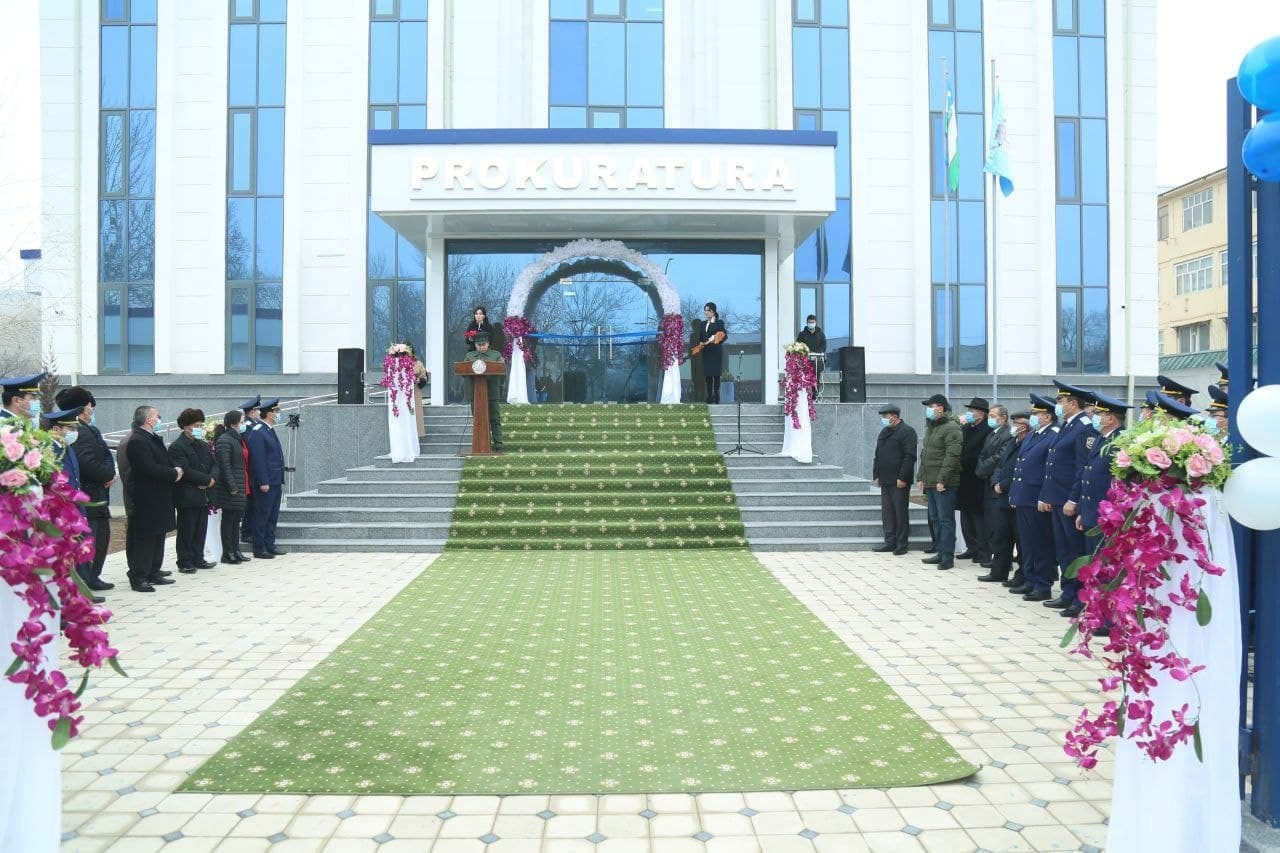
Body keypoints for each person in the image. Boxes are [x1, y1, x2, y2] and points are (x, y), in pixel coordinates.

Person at [1071, 390, 1131, 621]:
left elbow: (1119, 482)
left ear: (1111, 418)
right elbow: (1087, 475)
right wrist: (1082, 511)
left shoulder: (1121, 441)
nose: (1094, 417)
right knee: (1095, 565)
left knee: (1106, 567)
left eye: (1099, 414)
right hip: (1092, 512)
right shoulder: (1102, 438)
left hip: (1108, 515)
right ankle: (1096, 611)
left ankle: (1107, 618)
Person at [1041, 381, 1098, 613]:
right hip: (1057, 497)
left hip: (1068, 499)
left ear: (1073, 403)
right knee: (1063, 549)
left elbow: (1082, 468)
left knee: (1075, 551)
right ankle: (1067, 592)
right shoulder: (1068, 425)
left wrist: (1073, 499)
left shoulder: (1084, 428)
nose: (1058, 405)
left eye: (1061, 401)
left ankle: (1079, 598)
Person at [56, 386, 116, 593]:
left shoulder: (90, 429)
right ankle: (86, 581)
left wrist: (110, 473)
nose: (92, 409)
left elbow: (106, 455)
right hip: (89, 495)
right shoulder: (78, 432)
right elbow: (87, 463)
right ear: (81, 408)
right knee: (89, 541)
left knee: (101, 539)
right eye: (90, 405)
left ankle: (93, 577)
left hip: (99, 493)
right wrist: (107, 475)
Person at [123, 405, 181, 593]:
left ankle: (153, 571)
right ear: (148, 419)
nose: (159, 419)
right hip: (147, 498)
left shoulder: (152, 438)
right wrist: (173, 473)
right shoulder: (138, 441)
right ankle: (139, 576)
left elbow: (164, 461)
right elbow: (148, 468)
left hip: (160, 496)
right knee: (145, 539)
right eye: (157, 416)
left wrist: (175, 469)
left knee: (158, 535)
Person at [1009, 394, 1058, 601]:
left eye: (1037, 413)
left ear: (1047, 416)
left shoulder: (1053, 435)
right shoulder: (1033, 434)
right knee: (1027, 543)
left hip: (1037, 497)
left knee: (1041, 543)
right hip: (1024, 496)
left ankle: (1043, 584)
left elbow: (1050, 470)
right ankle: (1030, 580)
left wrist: (1045, 496)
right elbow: (1021, 465)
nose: (1034, 417)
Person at [980, 410, 1027, 584]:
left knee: (1020, 539)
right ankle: (998, 572)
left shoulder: (1027, 443)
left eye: (1017, 423)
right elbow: (1000, 465)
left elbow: (1019, 470)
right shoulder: (1013, 441)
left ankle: (1021, 575)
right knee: (1002, 536)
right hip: (1002, 496)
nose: (1014, 426)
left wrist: (1003, 484)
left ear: (1025, 426)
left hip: (1015, 494)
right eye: (1014, 423)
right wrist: (995, 482)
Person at [169, 408, 217, 574]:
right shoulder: (177, 447)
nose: (200, 428)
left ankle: (198, 558)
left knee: (200, 528)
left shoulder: (203, 445)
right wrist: (205, 480)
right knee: (187, 529)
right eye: (196, 425)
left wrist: (211, 479)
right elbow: (185, 470)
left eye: (201, 425)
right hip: (187, 494)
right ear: (185, 426)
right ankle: (184, 561)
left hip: (204, 494)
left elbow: (214, 464)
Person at [916, 393, 962, 570]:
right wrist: (921, 476)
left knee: (945, 519)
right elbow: (925, 454)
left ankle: (947, 557)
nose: (928, 410)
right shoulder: (932, 427)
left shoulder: (952, 427)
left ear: (940, 408)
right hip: (930, 480)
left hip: (944, 483)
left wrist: (942, 480)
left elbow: (952, 456)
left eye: (931, 406)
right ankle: (940, 551)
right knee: (935, 518)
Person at [871, 404, 917, 555]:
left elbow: (909, 456)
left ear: (895, 417)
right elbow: (878, 455)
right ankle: (889, 542)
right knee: (888, 513)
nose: (883, 419)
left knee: (900, 512)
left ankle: (902, 544)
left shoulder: (907, 431)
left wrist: (903, 477)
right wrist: (877, 474)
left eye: (886, 416)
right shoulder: (885, 432)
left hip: (899, 480)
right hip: (885, 479)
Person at [245, 398, 287, 559]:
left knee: (272, 515)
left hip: (275, 479)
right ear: (269, 414)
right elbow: (258, 459)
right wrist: (263, 481)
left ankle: (270, 544)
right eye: (276, 411)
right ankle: (259, 547)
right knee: (262, 515)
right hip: (266, 481)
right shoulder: (258, 431)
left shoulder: (268, 429)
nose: (278, 414)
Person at [975, 404, 1014, 564]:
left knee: (998, 524)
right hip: (987, 481)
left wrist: (982, 468)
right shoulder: (992, 433)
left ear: (1003, 418)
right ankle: (993, 556)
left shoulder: (1008, 434)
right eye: (989, 415)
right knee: (990, 522)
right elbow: (983, 454)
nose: (989, 418)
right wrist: (980, 468)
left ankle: (1001, 559)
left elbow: (999, 457)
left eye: (993, 416)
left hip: (997, 483)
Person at [213, 409, 252, 565]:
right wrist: (232, 486)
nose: (244, 424)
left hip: (241, 484)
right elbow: (224, 465)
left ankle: (236, 550)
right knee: (229, 520)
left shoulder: (237, 438)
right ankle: (227, 553)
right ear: (233, 423)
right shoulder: (225, 440)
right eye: (242, 421)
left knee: (236, 520)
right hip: (231, 487)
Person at [956, 397, 992, 563]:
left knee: (978, 517)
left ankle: (983, 551)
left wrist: (963, 463)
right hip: (963, 478)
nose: (969, 413)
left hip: (977, 478)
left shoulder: (987, 430)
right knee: (966, 515)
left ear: (981, 414)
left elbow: (980, 454)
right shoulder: (966, 428)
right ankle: (971, 547)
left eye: (972, 411)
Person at [465, 332, 505, 451]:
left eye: (484, 344)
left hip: (492, 393)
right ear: (475, 345)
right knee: (478, 419)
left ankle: (498, 444)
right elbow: (464, 371)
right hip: (476, 394)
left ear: (488, 344)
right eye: (479, 345)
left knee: (495, 419)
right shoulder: (469, 356)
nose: (481, 347)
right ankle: (481, 444)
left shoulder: (496, 355)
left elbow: (502, 370)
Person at [238, 395, 262, 546]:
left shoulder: (253, 425)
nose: (259, 413)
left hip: (253, 470)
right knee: (250, 504)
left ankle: (250, 530)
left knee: (253, 503)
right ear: (252, 412)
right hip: (250, 471)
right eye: (257, 410)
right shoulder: (247, 426)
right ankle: (246, 532)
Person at [695, 302, 728, 404]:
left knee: (716, 375)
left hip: (716, 352)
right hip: (706, 353)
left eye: (707, 310)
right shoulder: (703, 324)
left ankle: (717, 395)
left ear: (713, 311)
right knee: (708, 375)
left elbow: (724, 336)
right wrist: (701, 343)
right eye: (705, 310)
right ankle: (709, 396)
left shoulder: (719, 323)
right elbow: (700, 337)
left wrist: (715, 340)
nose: (706, 312)